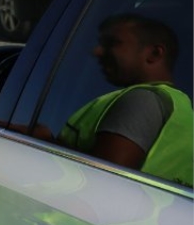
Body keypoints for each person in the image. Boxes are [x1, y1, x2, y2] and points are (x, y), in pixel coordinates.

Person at [57, 13, 192, 186]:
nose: (97, 51)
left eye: (113, 43)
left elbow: (103, 184)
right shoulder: (180, 108)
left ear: (154, 53)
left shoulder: (142, 101)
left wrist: (47, 143)